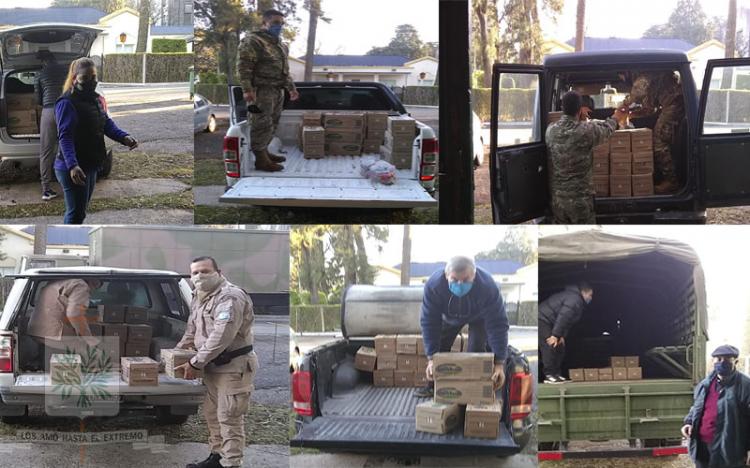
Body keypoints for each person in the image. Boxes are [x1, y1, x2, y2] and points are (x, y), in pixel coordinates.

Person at [178, 257, 257, 468]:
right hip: (211, 368)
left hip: (232, 368)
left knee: (229, 419)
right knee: (212, 416)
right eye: (194, 273)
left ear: (218, 271)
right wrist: (174, 355)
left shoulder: (230, 296)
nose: (199, 276)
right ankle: (217, 458)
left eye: (204, 271)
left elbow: (222, 335)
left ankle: (231, 463)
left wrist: (195, 363)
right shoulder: (199, 296)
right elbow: (191, 331)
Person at [54, 57, 138, 224]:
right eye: (85, 78)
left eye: (93, 77)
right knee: (75, 214)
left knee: (81, 212)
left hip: (90, 164)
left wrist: (123, 137)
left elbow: (106, 122)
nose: (91, 81)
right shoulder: (67, 103)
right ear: (74, 78)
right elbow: (65, 137)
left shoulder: (96, 98)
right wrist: (72, 165)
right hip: (73, 167)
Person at [414, 256, 509, 398]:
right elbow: (429, 322)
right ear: (446, 276)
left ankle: (474, 391)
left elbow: (497, 325)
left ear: (474, 275)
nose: (460, 284)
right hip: (449, 317)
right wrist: (431, 359)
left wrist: (500, 362)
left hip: (478, 318)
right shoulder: (434, 286)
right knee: (439, 351)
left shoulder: (488, 287)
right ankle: (433, 387)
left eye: (465, 280)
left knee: (476, 351)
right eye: (454, 280)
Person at [546, 91, 629, 224]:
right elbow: (607, 129)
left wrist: (579, 115)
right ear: (579, 110)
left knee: (563, 239)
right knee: (585, 239)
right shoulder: (585, 131)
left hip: (558, 201)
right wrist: (616, 116)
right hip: (580, 201)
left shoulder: (550, 130)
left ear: (562, 108)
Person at [237, 8, 300, 172]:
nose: (279, 26)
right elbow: (244, 67)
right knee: (261, 124)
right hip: (261, 90)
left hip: (277, 90)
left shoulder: (280, 45)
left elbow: (284, 70)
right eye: (275, 23)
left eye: (282, 23)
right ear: (265, 23)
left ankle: (265, 152)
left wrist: (291, 88)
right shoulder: (253, 40)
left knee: (272, 123)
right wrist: (247, 90)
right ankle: (260, 160)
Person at [682, 345, 750, 468]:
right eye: (718, 359)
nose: (722, 362)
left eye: (727, 359)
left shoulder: (745, 386)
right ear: (713, 361)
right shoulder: (705, 384)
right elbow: (697, 406)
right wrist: (689, 422)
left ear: (736, 361)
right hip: (702, 447)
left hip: (730, 450)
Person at [627, 71, 685, 194]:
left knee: (659, 142)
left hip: (673, 105)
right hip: (671, 104)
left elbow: (637, 93)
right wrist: (634, 113)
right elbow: (649, 108)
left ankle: (671, 182)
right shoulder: (652, 76)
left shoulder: (643, 77)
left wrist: (624, 106)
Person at [27, 278, 101, 362]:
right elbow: (74, 314)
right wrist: (89, 338)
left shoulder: (57, 281)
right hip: (53, 332)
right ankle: (111, 366)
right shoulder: (81, 285)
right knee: (86, 348)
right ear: (93, 282)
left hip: (36, 330)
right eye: (98, 285)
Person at [538, 282, 593, 384]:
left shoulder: (578, 302)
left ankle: (556, 374)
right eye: (590, 295)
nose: (591, 298)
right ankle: (549, 375)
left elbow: (568, 322)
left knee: (560, 347)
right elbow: (563, 317)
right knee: (550, 345)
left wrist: (561, 336)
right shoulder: (574, 300)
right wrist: (555, 335)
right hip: (542, 319)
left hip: (552, 323)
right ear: (584, 292)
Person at [34, 50, 67, 201]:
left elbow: (38, 99)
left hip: (48, 111)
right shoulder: (66, 70)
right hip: (65, 110)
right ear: (54, 58)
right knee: (66, 147)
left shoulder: (40, 74)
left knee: (46, 151)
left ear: (43, 61)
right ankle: (68, 184)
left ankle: (46, 190)